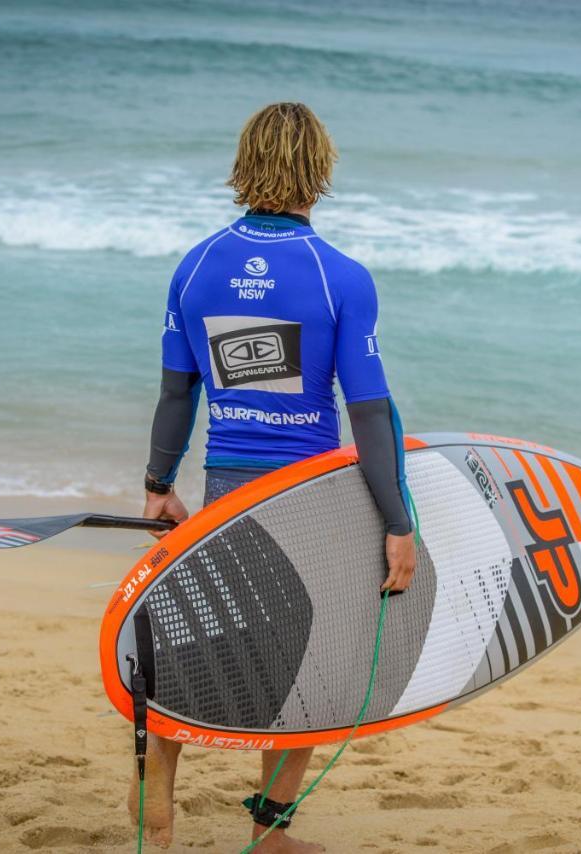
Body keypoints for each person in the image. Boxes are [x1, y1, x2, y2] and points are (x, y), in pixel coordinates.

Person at [129, 102, 418, 853]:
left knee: (198, 649)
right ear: (319, 171)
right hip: (312, 498)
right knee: (316, 666)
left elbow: (175, 394)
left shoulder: (194, 267)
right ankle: (269, 835)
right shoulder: (341, 278)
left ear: (245, 163)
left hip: (227, 491)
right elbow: (371, 413)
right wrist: (397, 522)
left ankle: (158, 820)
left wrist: (159, 483)